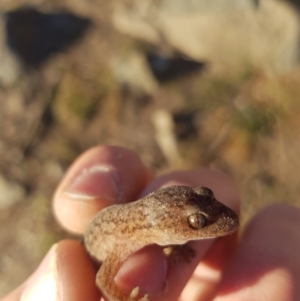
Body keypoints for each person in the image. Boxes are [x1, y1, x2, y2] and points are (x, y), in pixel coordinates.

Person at [2, 145, 299, 301]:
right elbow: (103, 280)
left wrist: (178, 244)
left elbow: (167, 227)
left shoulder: (154, 227)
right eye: (198, 222)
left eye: (205, 197)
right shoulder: (124, 239)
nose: (224, 219)